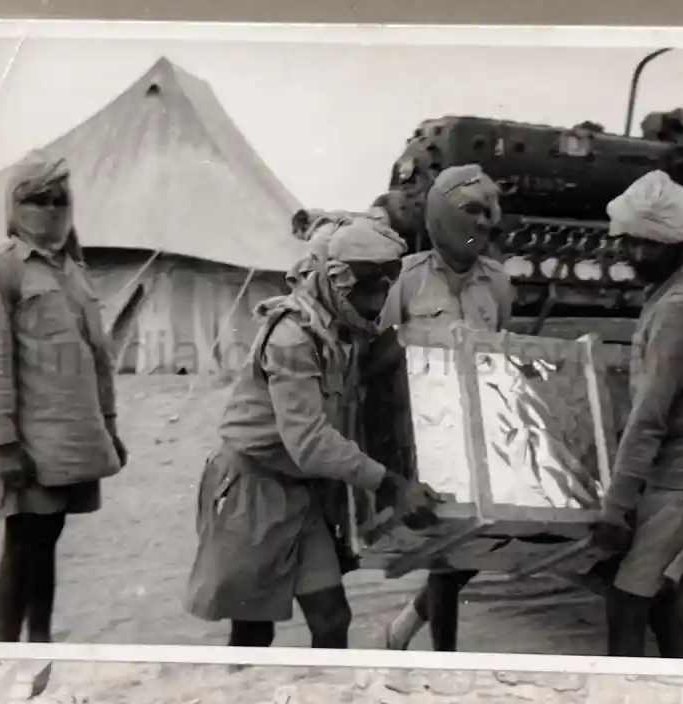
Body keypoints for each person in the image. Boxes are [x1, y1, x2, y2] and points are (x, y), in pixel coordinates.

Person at [184, 217, 442, 651]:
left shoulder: (342, 331)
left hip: (301, 492)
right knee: (254, 627)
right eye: (368, 292)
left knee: (331, 618)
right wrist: (391, 485)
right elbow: (310, 441)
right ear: (337, 281)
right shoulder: (291, 337)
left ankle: (324, 692)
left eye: (383, 291)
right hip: (254, 489)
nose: (376, 304)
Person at [588, 169, 683, 658]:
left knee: (626, 600)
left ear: (681, 242)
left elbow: (650, 414)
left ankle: (625, 699)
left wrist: (616, 506)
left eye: (647, 245)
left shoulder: (682, 305)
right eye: (629, 242)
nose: (634, 255)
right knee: (659, 599)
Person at [0, 153, 128, 673]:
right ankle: (3, 650)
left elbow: (100, 361)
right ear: (15, 205)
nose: (50, 210)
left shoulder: (73, 270)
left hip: (75, 434)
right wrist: (5, 443)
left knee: (46, 540)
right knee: (23, 542)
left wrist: (110, 427)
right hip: (31, 437)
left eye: (59, 200)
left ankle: (40, 641)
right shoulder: (5, 268)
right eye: (38, 200)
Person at [376, 164, 515, 652]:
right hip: (421, 430)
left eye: (489, 212)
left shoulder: (498, 283)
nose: (483, 222)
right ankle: (442, 658)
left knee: (474, 543)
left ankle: (405, 629)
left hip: (477, 429)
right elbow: (379, 359)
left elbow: (501, 351)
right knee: (445, 552)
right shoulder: (406, 280)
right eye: (471, 210)